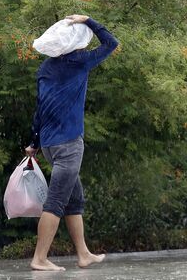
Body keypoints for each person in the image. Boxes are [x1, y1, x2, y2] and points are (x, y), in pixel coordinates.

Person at [24, 14, 119, 271]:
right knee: (56, 202)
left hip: (49, 145)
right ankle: (39, 258)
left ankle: (83, 254)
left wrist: (34, 142)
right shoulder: (80, 61)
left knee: (74, 199)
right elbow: (111, 43)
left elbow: (40, 108)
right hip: (68, 144)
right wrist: (89, 20)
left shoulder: (46, 68)